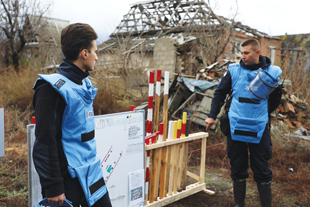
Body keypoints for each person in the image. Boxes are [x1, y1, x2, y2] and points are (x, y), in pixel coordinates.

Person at [32, 23, 112, 207]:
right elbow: (45, 142)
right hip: (68, 183)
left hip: (92, 173)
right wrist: (53, 186)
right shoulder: (50, 89)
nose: (97, 57)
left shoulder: (84, 85)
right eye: (95, 51)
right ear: (84, 53)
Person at [205, 39, 283, 207]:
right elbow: (219, 94)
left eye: (247, 53)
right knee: (238, 166)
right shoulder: (233, 70)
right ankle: (239, 204)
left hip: (260, 127)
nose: (243, 56)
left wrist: (260, 112)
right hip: (236, 125)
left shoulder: (270, 73)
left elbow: (276, 100)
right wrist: (212, 116)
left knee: (261, 168)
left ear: (257, 53)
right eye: (242, 52)